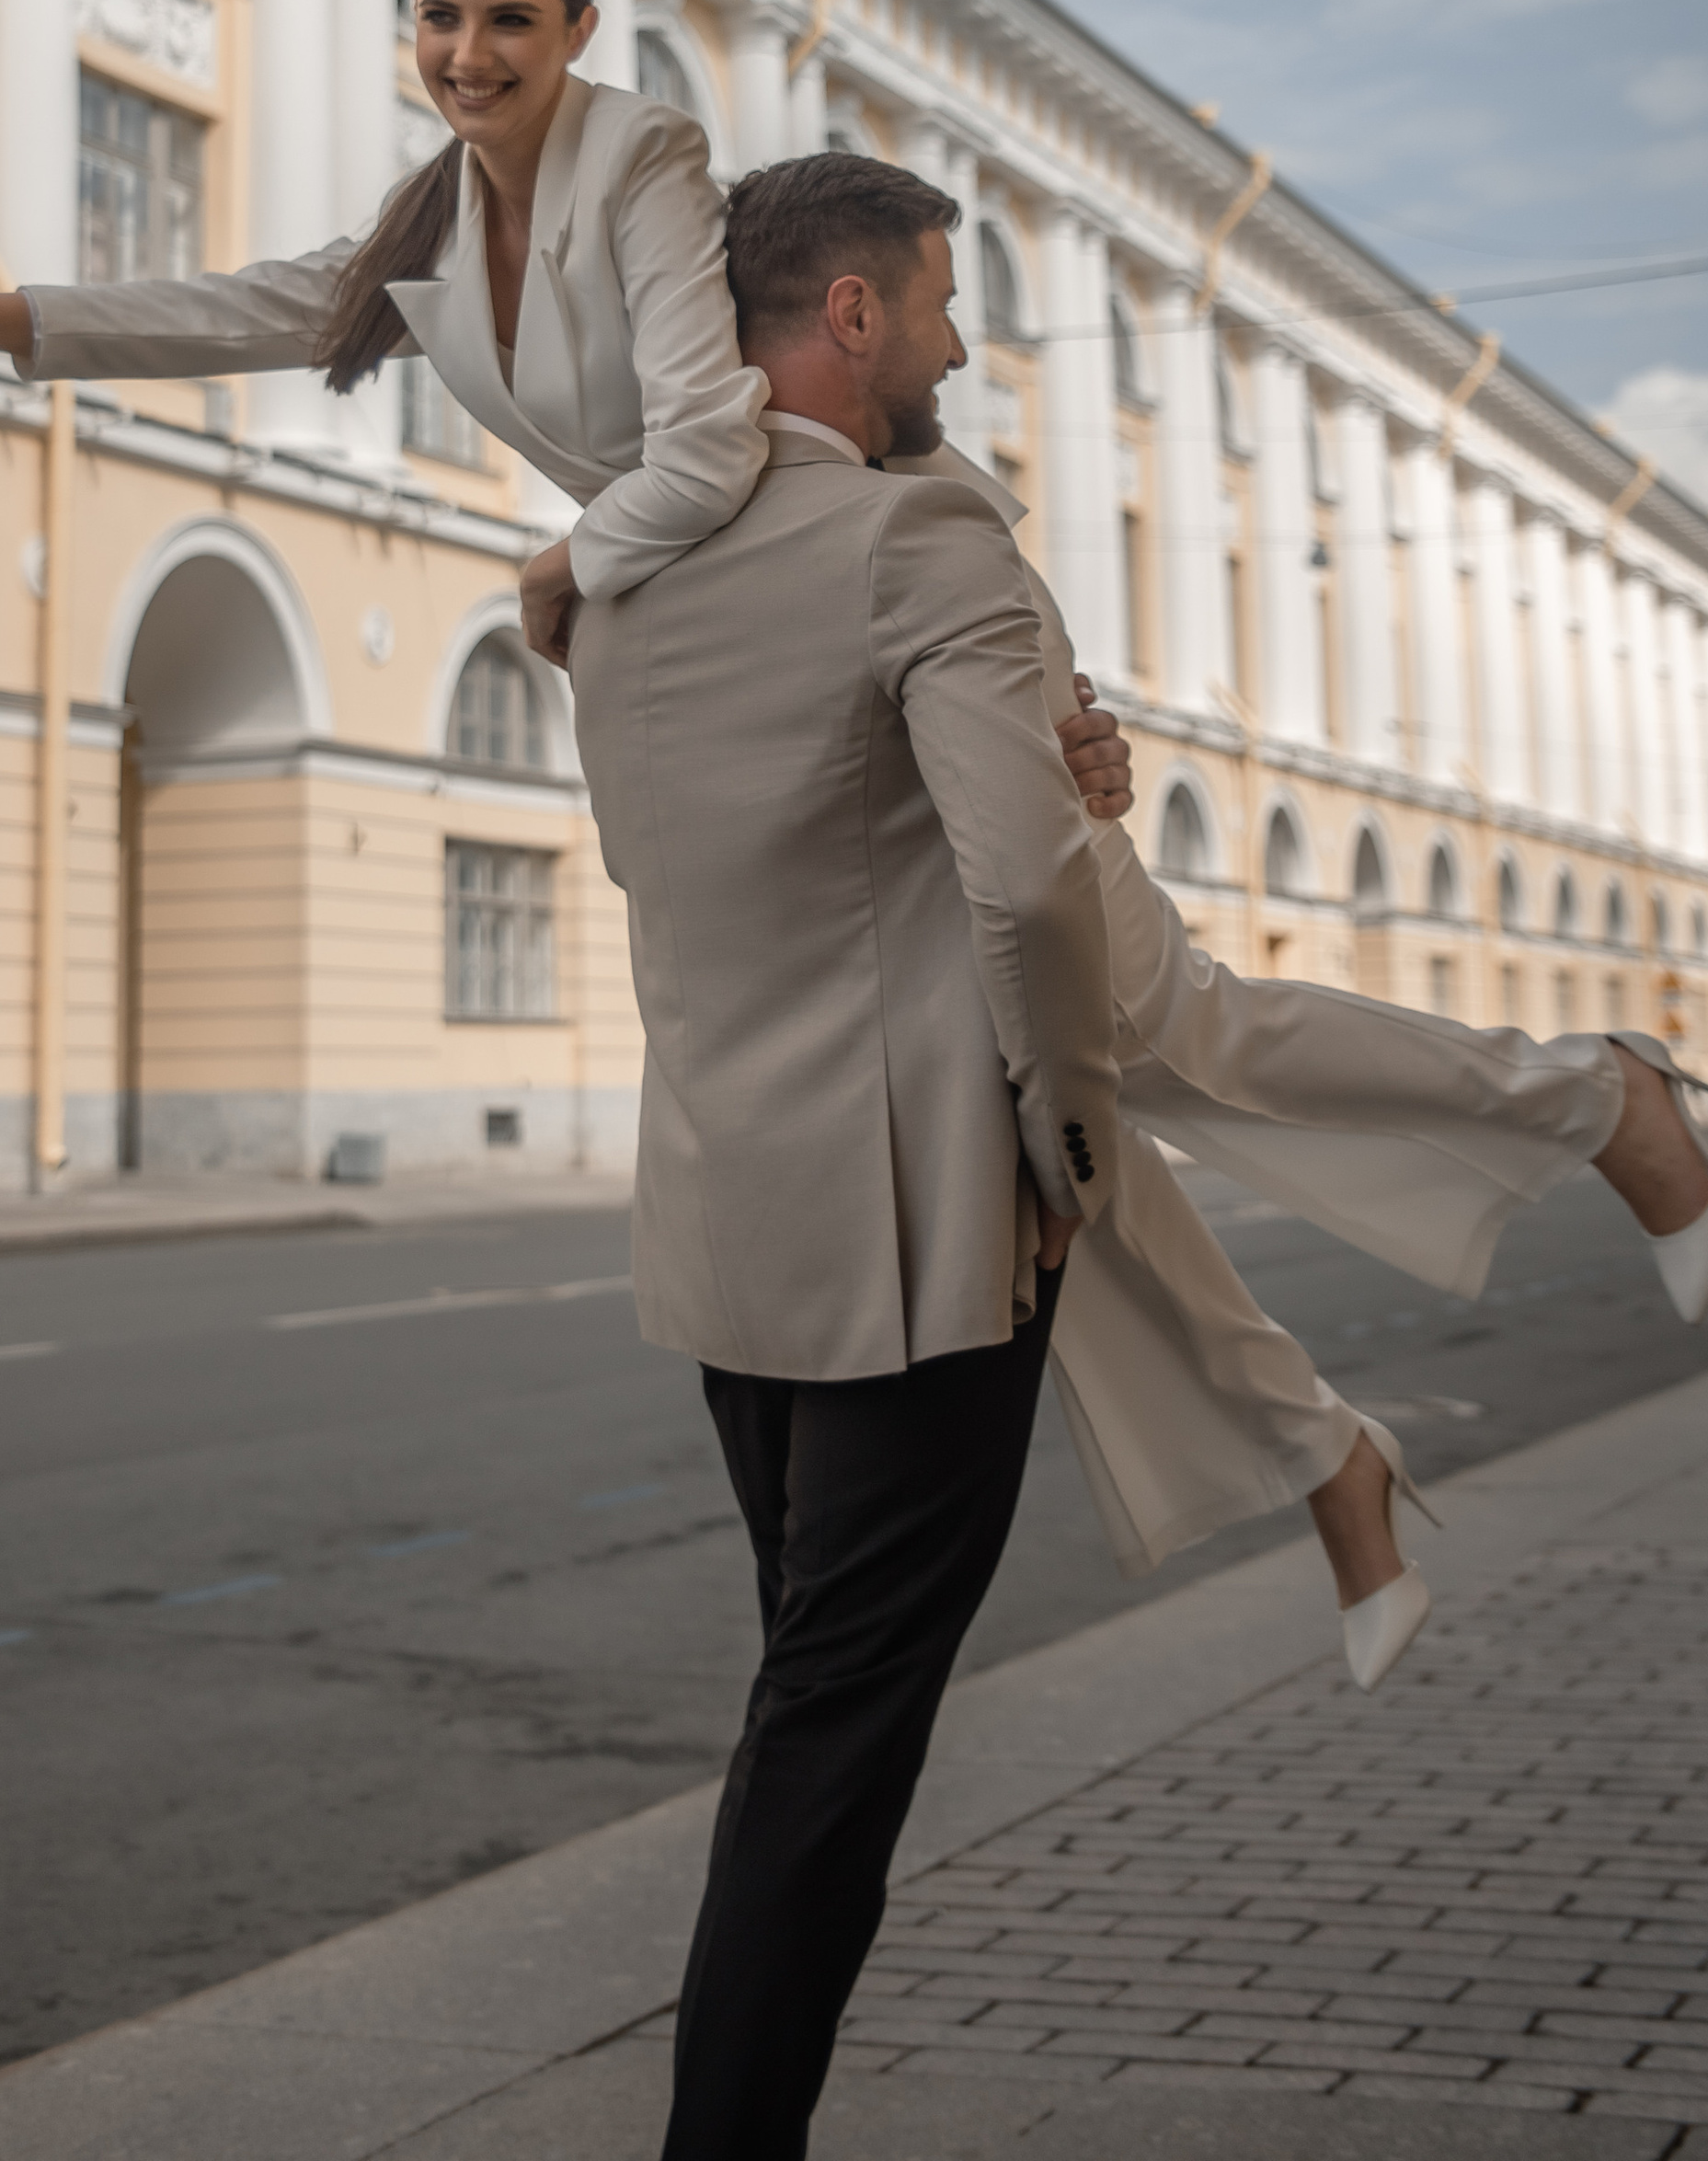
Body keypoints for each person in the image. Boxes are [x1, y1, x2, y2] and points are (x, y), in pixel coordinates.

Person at [0, 0, 1708, 1683]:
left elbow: (707, 451)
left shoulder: (641, 161)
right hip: (777, 645)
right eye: (435, 16)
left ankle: (1596, 1105)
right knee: (1062, 1129)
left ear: (573, 33)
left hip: (880, 570)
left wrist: (566, 564)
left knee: (1149, 1022)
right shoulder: (434, 225)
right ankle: (1332, 1458)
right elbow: (225, 314)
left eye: (507, 20)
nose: (466, 53)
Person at [567, 155, 1119, 2158]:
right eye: (944, 301)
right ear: (854, 317)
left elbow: (737, 859)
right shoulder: (920, 543)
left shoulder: (616, 579)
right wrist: (1064, 1132)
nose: (965, 342)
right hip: (919, 1236)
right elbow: (1032, 896)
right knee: (834, 1737)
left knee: (810, 1700)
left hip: (727, 1217)